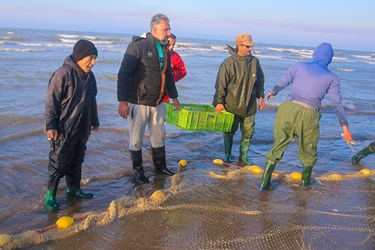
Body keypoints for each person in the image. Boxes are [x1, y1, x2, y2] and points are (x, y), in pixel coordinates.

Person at [259, 42, 353, 190]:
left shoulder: (299, 66)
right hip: (309, 114)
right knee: (308, 148)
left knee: (278, 144)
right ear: (329, 59)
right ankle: (306, 182)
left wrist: (273, 92)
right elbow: (337, 104)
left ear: (315, 54)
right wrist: (345, 128)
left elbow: (284, 80)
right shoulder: (332, 77)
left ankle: (264, 184)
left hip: (287, 109)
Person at [117, 14, 180, 185]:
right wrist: (122, 101)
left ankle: (160, 168)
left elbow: (168, 76)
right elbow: (123, 74)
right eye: (166, 29)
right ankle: (138, 172)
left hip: (158, 103)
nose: (169, 32)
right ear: (155, 29)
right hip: (138, 103)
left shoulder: (164, 48)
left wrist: (174, 98)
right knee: (136, 140)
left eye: (169, 29)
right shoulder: (137, 46)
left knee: (159, 138)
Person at [45, 39, 100, 211]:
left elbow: (92, 100)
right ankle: (50, 196)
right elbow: (51, 102)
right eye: (90, 58)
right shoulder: (63, 73)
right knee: (58, 161)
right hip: (64, 128)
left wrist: (95, 120)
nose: (93, 62)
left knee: (77, 159)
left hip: (82, 127)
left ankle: (73, 189)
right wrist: (51, 126)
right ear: (79, 57)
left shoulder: (90, 77)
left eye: (95, 58)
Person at [212, 34, 265, 164]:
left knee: (248, 132)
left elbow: (260, 80)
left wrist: (261, 96)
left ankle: (243, 157)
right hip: (231, 104)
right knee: (229, 131)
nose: (250, 49)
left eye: (251, 46)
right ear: (239, 46)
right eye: (247, 46)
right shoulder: (228, 63)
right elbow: (221, 84)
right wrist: (220, 102)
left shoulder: (254, 62)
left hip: (250, 104)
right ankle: (227, 156)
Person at [162, 33, 187, 102]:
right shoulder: (154, 52)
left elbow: (183, 71)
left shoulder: (175, 56)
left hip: (165, 95)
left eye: (173, 45)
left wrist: (172, 75)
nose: (171, 47)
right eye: (169, 44)